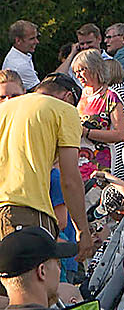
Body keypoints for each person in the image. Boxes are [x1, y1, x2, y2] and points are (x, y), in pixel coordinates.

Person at [0, 72, 92, 261]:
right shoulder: (64, 110)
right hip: (27, 211)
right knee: (36, 287)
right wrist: (82, 230)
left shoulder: (4, 109)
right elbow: (70, 179)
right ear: (68, 97)